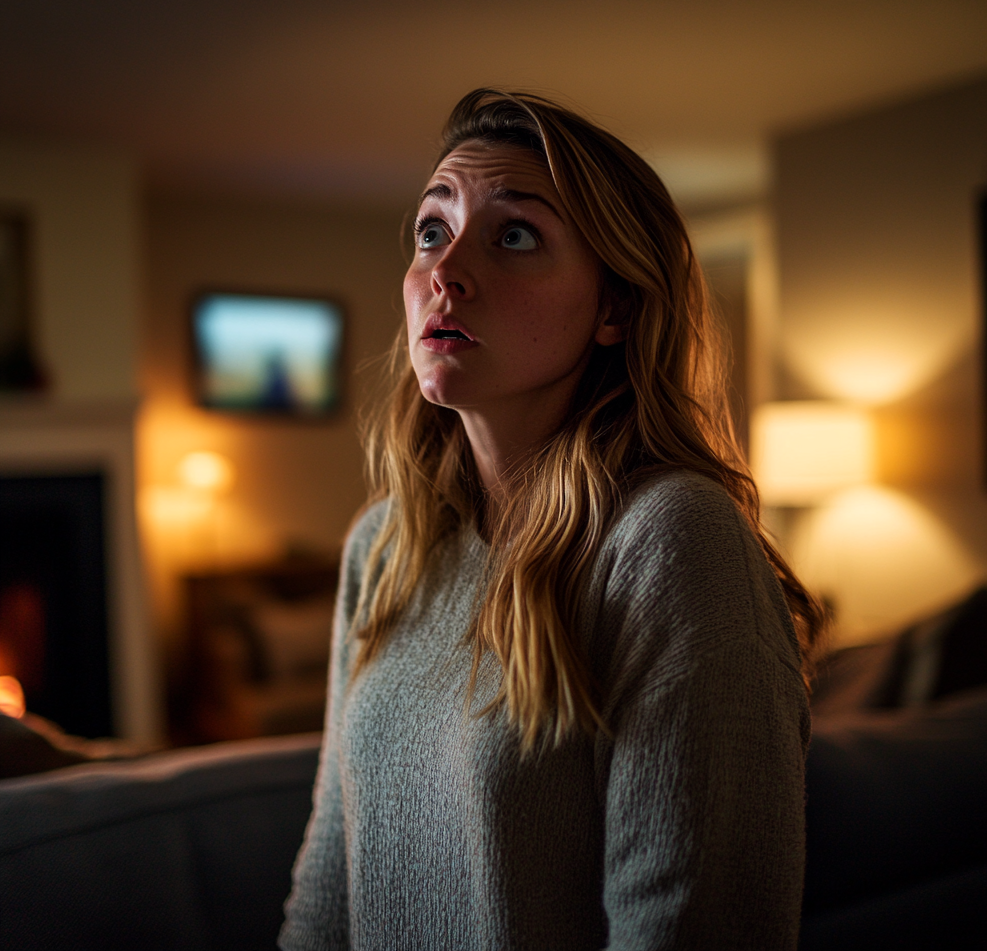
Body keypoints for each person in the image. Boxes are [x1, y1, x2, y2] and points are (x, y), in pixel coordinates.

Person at [279, 89, 828, 951]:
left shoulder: (670, 544)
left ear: (615, 308)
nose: (444, 272)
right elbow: (326, 883)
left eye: (515, 235)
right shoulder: (379, 547)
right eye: (432, 230)